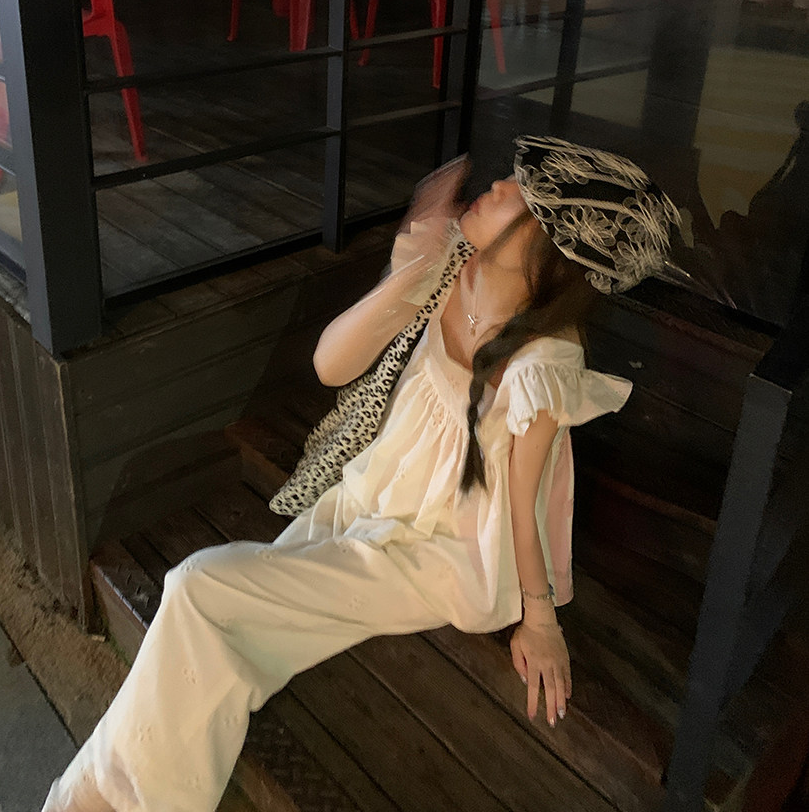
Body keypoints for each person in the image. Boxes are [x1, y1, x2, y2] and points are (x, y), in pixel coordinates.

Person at [41, 134, 681, 812]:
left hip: (440, 553)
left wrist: (541, 621)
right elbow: (331, 366)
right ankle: (104, 797)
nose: (492, 187)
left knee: (199, 588)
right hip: (373, 494)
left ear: (545, 251)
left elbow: (522, 507)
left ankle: (87, 801)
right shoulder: (452, 270)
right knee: (223, 632)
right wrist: (412, 269)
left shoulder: (542, 365)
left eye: (512, 196)